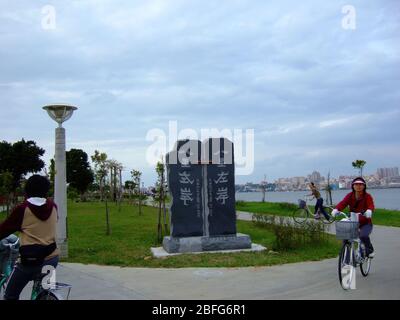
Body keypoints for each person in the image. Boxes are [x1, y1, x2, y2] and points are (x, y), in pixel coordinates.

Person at [0, 175, 59, 300]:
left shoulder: (22, 209)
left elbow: (3, 230)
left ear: (27, 190)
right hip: (52, 259)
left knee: (10, 295)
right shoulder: (53, 207)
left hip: (30, 262)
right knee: (44, 292)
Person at [332, 177, 375, 258]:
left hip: (365, 222)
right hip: (353, 221)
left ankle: (370, 249)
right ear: (353, 186)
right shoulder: (350, 195)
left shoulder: (367, 196)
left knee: (363, 235)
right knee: (346, 238)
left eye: (361, 184)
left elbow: (371, 205)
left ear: (364, 186)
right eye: (356, 184)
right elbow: (343, 203)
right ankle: (346, 256)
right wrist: (336, 209)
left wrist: (369, 210)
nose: (358, 186)